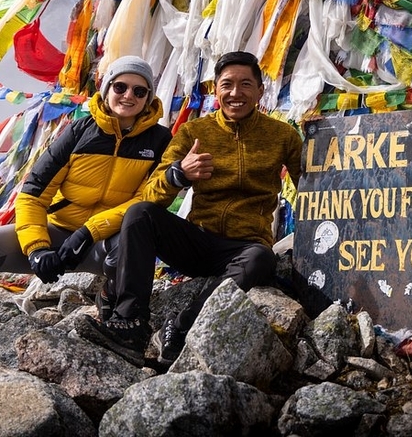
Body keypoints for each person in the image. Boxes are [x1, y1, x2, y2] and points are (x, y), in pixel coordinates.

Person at [76, 51, 303, 367]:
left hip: (244, 248)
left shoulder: (283, 136)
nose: (235, 93)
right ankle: (130, 323)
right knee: (140, 214)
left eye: (245, 84)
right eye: (227, 84)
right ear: (215, 89)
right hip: (197, 241)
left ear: (260, 90)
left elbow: (310, 188)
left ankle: (181, 326)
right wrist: (178, 174)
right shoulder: (194, 132)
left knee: (261, 258)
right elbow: (151, 194)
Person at [6, 56, 171, 316]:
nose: (129, 96)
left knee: (135, 242)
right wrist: (37, 248)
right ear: (107, 89)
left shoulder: (160, 140)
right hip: (58, 234)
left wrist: (89, 232)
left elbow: (146, 200)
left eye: (139, 91)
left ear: (148, 98)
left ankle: (113, 309)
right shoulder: (79, 131)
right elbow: (33, 193)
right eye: (120, 87)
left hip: (107, 242)